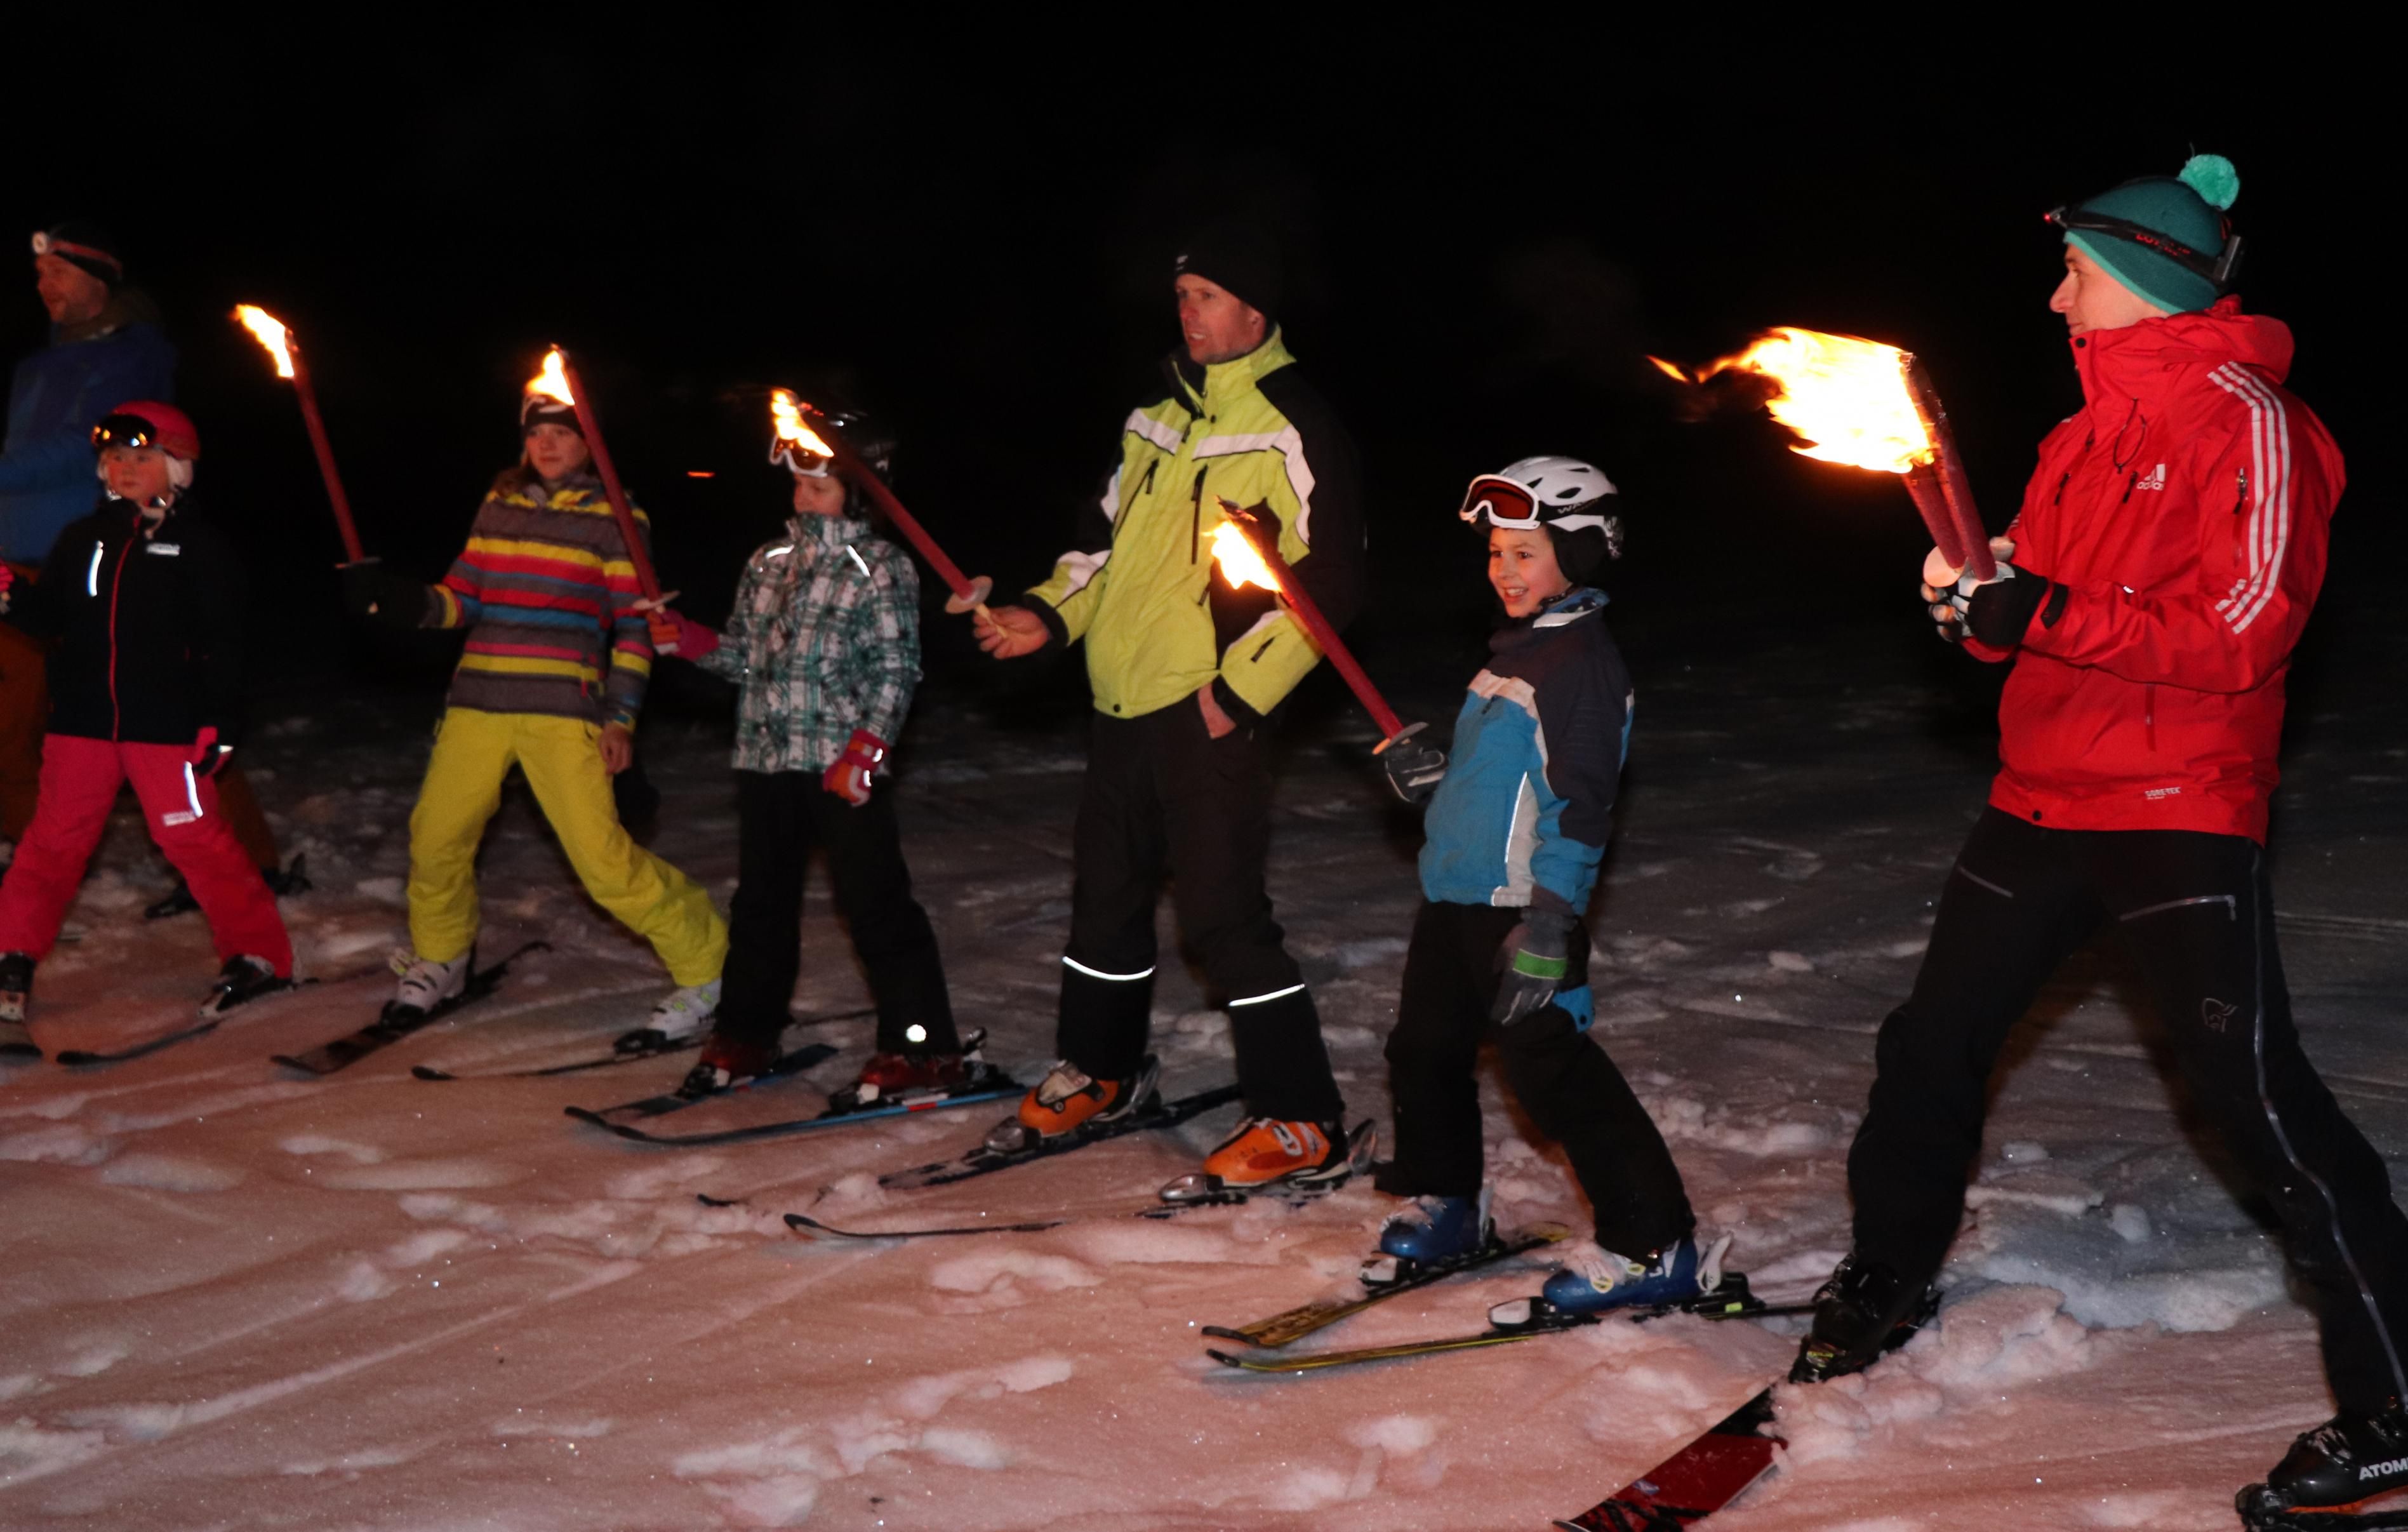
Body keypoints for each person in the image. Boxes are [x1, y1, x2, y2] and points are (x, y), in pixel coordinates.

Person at [1791, 156, 2408, 1517]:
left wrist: (2042, 612)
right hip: (2041, 792)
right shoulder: (2082, 432)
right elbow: (2030, 599)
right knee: (1930, 1043)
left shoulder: (2255, 426)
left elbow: (2243, 631)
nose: (2055, 298)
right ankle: (1888, 1268)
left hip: (2175, 804)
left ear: (2144, 280)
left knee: (2258, 1102)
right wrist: (1974, 601)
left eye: (2075, 274)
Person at [973, 223, 1362, 1190]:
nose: (1187, 311)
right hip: (1120, 702)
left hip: (1206, 711)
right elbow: (1097, 552)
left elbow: (1330, 586)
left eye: (1207, 296)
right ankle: (1101, 1069)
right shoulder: (1153, 418)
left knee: (1223, 918)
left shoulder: (1292, 426)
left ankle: (1300, 1115)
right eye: (1182, 295)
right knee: (1104, 903)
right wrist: (1042, 617)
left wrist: (1237, 692)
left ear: (1255, 314)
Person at [1372, 457, 1712, 1316]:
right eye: (1496, 552)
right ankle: (1447, 1199)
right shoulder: (1515, 654)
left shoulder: (1579, 670)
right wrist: (1438, 779)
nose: (1504, 570)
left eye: (1525, 552)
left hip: (1524, 911)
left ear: (1582, 553)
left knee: (1554, 1074)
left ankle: (1653, 1242)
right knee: (1423, 1051)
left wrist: (1552, 927)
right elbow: (1504, 782)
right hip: (1456, 899)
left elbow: (1579, 809)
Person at [341, 371, 727, 1046]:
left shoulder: (616, 517)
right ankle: (441, 957)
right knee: (436, 838)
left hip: (563, 710)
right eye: (538, 433)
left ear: (588, 444)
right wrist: (399, 600)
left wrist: (620, 719)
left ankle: (710, 966)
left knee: (603, 861)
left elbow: (635, 627)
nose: (547, 445)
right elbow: (463, 599)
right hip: (478, 701)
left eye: (562, 434)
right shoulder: (500, 504)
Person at [646, 407, 975, 1105]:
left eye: (819, 488)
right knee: (760, 905)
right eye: (798, 485)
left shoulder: (881, 567)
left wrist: (866, 749)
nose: (803, 499)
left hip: (840, 765)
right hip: (766, 757)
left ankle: (922, 1045)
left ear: (859, 494)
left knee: (875, 905)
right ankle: (747, 1032)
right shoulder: (768, 562)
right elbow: (748, 656)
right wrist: (693, 642)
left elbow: (896, 670)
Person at [0, 404, 295, 1056]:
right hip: (82, 724)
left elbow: (225, 642)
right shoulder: (84, 537)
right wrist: (9, 593)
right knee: (52, 844)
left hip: (166, 728)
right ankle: (10, 957)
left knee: (195, 840)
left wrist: (221, 719)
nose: (125, 468)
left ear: (178, 467)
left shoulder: (200, 546)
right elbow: (49, 617)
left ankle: (258, 956)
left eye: (142, 457)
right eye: (115, 459)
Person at [1, 225, 177, 848]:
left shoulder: (134, 357)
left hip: (98, 560)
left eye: (58, 272)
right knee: (11, 718)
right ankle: (29, 853)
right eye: (39, 275)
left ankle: (244, 859)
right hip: (19, 558)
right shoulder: (35, 366)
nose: (44, 286)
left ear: (99, 281)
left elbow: (89, 445)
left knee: (151, 714)